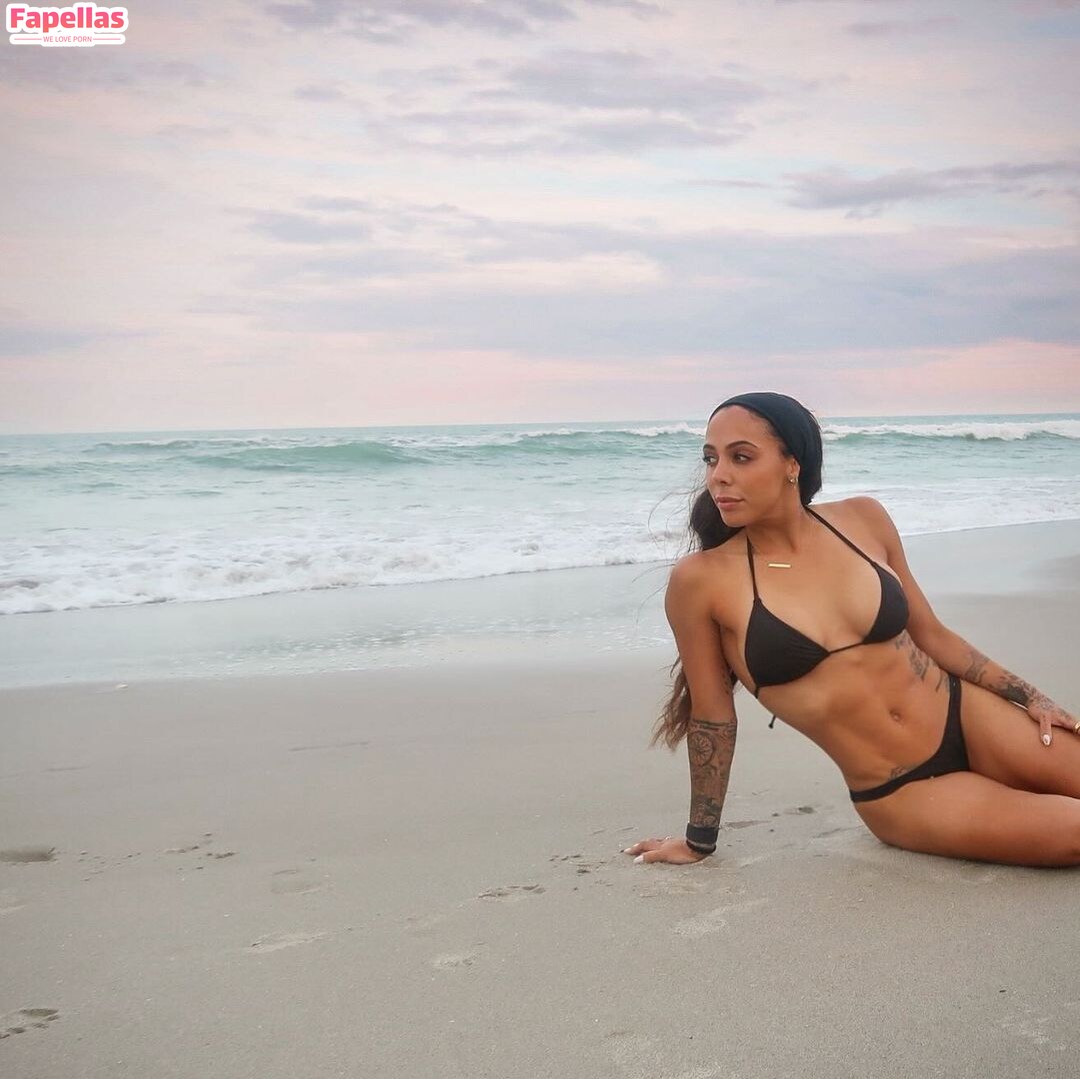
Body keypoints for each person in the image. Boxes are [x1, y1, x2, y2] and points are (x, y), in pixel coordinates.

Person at [624, 391, 1080, 869]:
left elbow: (933, 635)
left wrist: (1033, 698)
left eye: (741, 457)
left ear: (792, 464)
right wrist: (698, 841)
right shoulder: (701, 581)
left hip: (969, 715)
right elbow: (713, 717)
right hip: (901, 788)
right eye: (711, 458)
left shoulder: (863, 519)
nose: (718, 475)